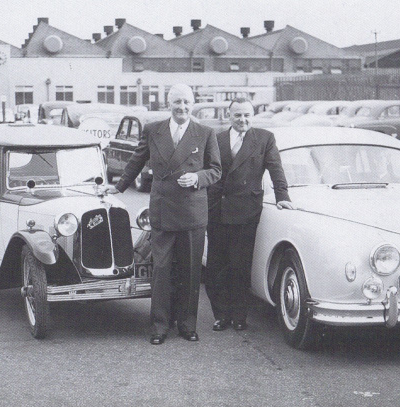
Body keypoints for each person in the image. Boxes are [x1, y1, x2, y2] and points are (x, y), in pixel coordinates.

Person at [107, 84, 221, 345]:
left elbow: (216, 170)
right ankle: (159, 325)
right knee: (160, 269)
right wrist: (119, 186)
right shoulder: (153, 129)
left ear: (193, 104)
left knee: (191, 271)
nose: (182, 107)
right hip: (163, 208)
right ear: (169, 104)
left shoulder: (204, 133)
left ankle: (187, 324)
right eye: (177, 102)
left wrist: (197, 177)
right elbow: (136, 160)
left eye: (186, 103)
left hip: (192, 211)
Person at [206, 98, 294, 332]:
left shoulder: (264, 139)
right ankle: (221, 315)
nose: (242, 120)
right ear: (229, 116)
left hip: (246, 210)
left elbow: (276, 169)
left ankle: (239, 316)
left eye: (247, 115)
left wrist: (282, 197)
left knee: (240, 265)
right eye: (238, 116)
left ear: (252, 116)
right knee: (216, 266)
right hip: (217, 209)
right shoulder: (216, 138)